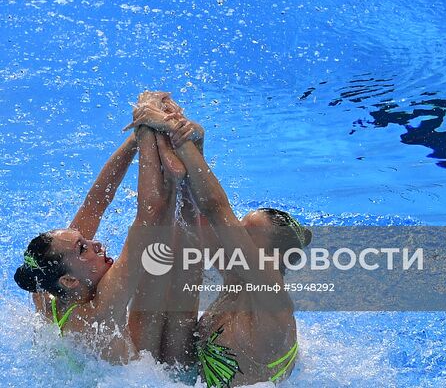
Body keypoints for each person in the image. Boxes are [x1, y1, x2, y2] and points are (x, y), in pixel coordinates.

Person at [14, 91, 310, 386]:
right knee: (174, 269)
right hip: (161, 373)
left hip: (160, 374)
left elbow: (214, 213)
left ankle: (171, 177)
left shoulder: (273, 305)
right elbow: (196, 221)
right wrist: (184, 141)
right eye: (240, 230)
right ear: (68, 281)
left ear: (271, 260)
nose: (233, 235)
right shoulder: (238, 281)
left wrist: (165, 133)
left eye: (245, 234)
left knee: (167, 273)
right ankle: (171, 178)